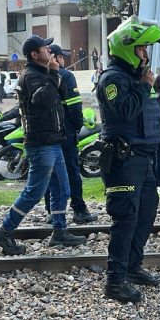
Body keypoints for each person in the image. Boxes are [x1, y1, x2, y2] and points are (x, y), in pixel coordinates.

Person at [96, 16, 160, 303]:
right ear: (128, 48)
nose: (145, 54)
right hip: (123, 161)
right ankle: (115, 282)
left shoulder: (134, 78)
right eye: (142, 49)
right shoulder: (112, 78)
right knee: (125, 219)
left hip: (144, 161)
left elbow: (141, 112)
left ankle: (132, 268)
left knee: (145, 216)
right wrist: (144, 86)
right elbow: (124, 112)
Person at [0, 35, 86, 255]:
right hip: (41, 143)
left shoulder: (43, 74)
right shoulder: (31, 76)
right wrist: (53, 74)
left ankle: (59, 231)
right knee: (34, 191)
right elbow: (43, 100)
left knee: (62, 187)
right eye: (45, 48)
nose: (50, 51)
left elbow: (57, 100)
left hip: (53, 141)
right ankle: (4, 231)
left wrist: (54, 74)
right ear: (35, 54)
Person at [42, 44, 98, 224]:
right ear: (57, 58)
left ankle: (52, 211)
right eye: (62, 56)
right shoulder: (66, 76)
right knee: (72, 172)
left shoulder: (37, 75)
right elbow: (74, 106)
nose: (63, 60)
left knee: (50, 174)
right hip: (65, 132)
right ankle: (79, 210)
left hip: (46, 134)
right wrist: (76, 127)